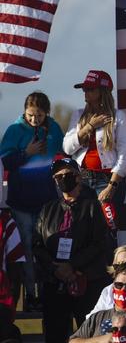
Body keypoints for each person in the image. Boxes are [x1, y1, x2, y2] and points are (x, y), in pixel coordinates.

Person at [32, 156, 109, 343]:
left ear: (78, 176)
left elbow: (99, 243)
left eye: (68, 175)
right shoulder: (47, 209)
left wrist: (72, 266)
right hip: (55, 281)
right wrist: (55, 268)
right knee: (54, 332)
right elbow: (37, 244)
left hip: (87, 280)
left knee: (90, 333)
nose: (63, 179)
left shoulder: (92, 207)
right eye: (58, 177)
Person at [0, 91, 63, 310]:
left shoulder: (53, 128)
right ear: (24, 112)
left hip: (46, 200)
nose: (34, 119)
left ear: (47, 113)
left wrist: (47, 135)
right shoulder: (14, 130)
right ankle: (29, 294)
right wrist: (26, 153)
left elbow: (61, 151)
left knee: (47, 245)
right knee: (26, 245)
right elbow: (5, 161)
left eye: (39, 115)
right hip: (22, 201)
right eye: (30, 115)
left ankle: (48, 290)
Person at [63, 70, 126, 258]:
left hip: (108, 179)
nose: (86, 93)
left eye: (90, 89)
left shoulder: (118, 117)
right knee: (80, 229)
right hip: (81, 180)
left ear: (103, 91)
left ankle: (109, 275)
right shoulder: (78, 115)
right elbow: (67, 147)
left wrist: (112, 185)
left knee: (108, 231)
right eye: (84, 89)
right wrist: (88, 127)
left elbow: (125, 155)